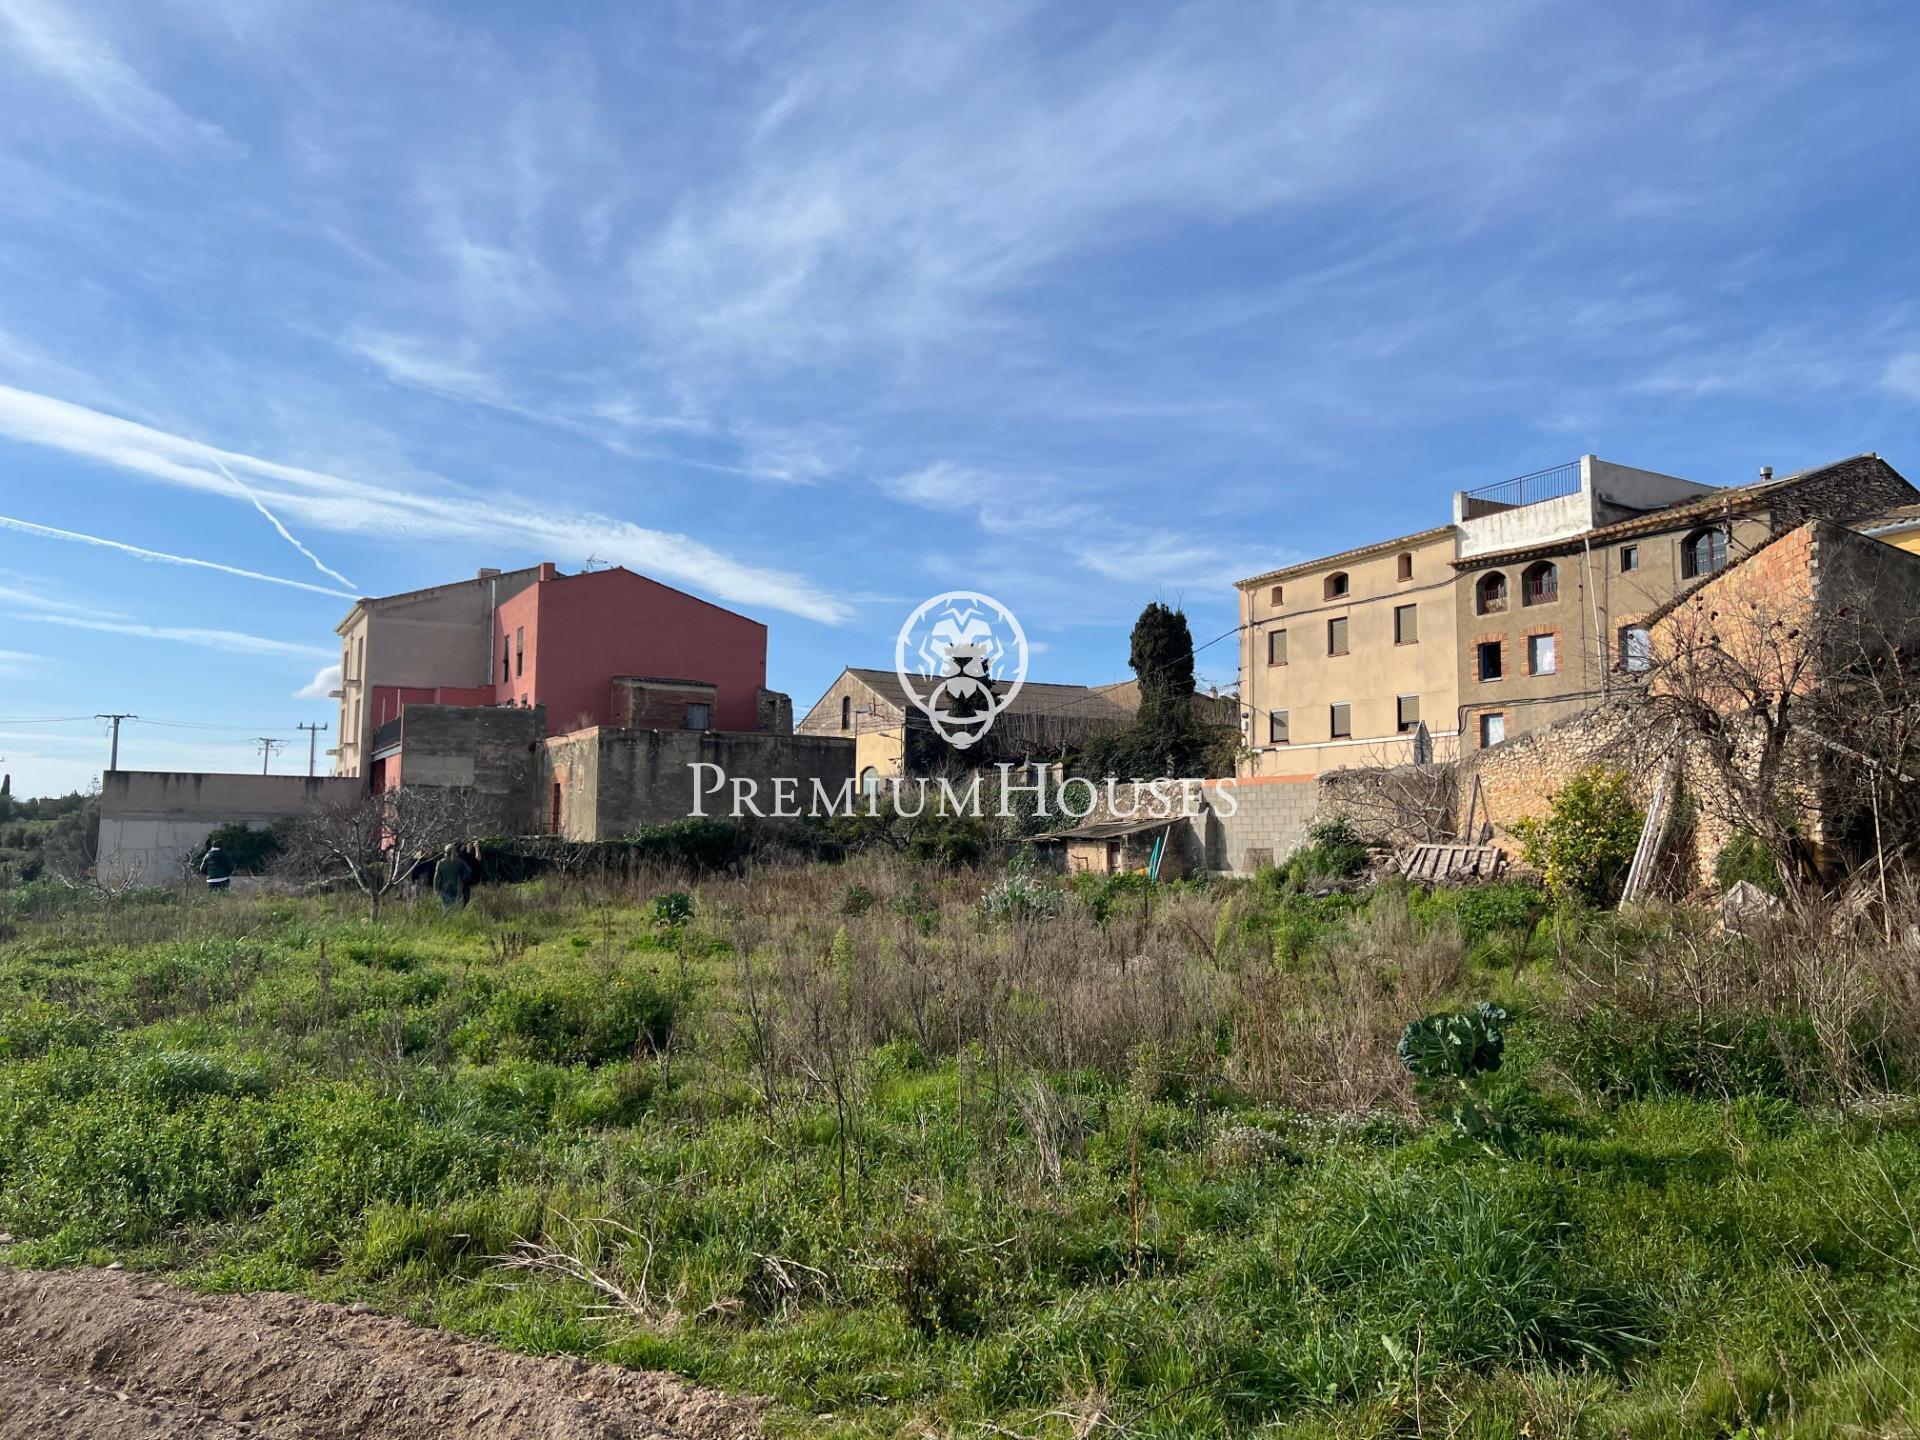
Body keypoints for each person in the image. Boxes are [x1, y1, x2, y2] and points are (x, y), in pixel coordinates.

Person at [431, 843, 471, 911]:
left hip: (444, 888)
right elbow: (468, 871)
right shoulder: (459, 861)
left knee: (446, 908)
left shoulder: (440, 863)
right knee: (456, 908)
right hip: (457, 888)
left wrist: (436, 889)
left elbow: (436, 878)